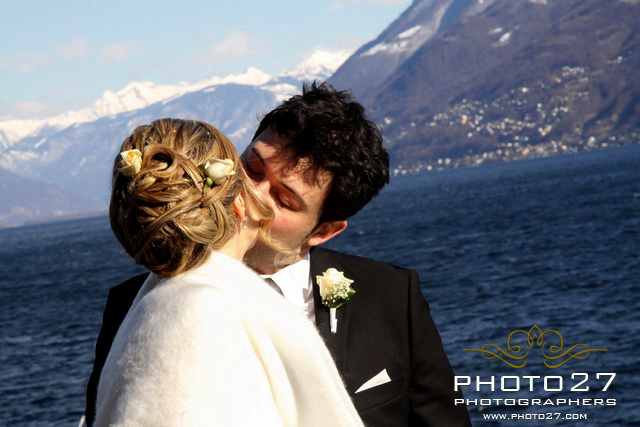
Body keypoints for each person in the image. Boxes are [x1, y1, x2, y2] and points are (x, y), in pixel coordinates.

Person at [85, 83, 472, 426]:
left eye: (284, 199)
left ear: (323, 231)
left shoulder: (390, 296)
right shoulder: (132, 303)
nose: (250, 194)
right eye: (251, 168)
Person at [93, 118, 363, 426]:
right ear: (236, 199)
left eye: (283, 198)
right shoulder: (205, 312)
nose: (258, 192)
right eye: (252, 170)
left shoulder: (158, 304)